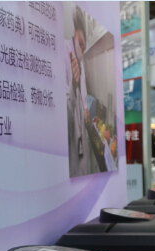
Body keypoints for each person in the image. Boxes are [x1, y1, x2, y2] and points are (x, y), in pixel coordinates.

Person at [66, 7, 92, 177]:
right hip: (71, 145)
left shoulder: (80, 61)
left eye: (84, 46)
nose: (81, 50)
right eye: (80, 43)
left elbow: (85, 95)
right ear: (75, 33)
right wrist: (73, 86)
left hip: (82, 139)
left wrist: (86, 108)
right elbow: (65, 113)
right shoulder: (64, 54)